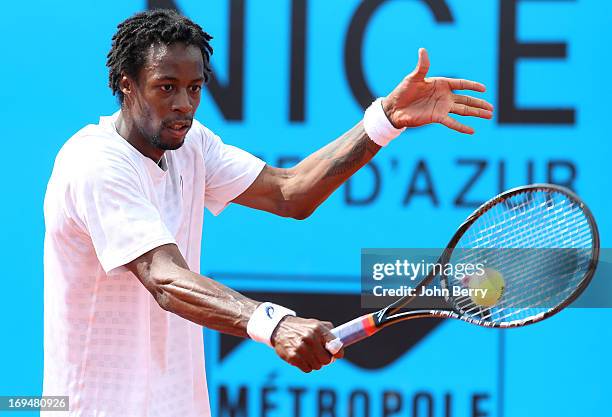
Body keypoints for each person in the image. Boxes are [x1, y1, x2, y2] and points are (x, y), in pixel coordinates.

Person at [42, 8, 493, 417]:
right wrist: (274, 324)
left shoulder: (191, 143)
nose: (184, 105)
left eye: (194, 88)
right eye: (166, 88)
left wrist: (385, 119)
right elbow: (164, 279)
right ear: (126, 83)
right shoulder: (95, 163)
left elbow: (289, 193)